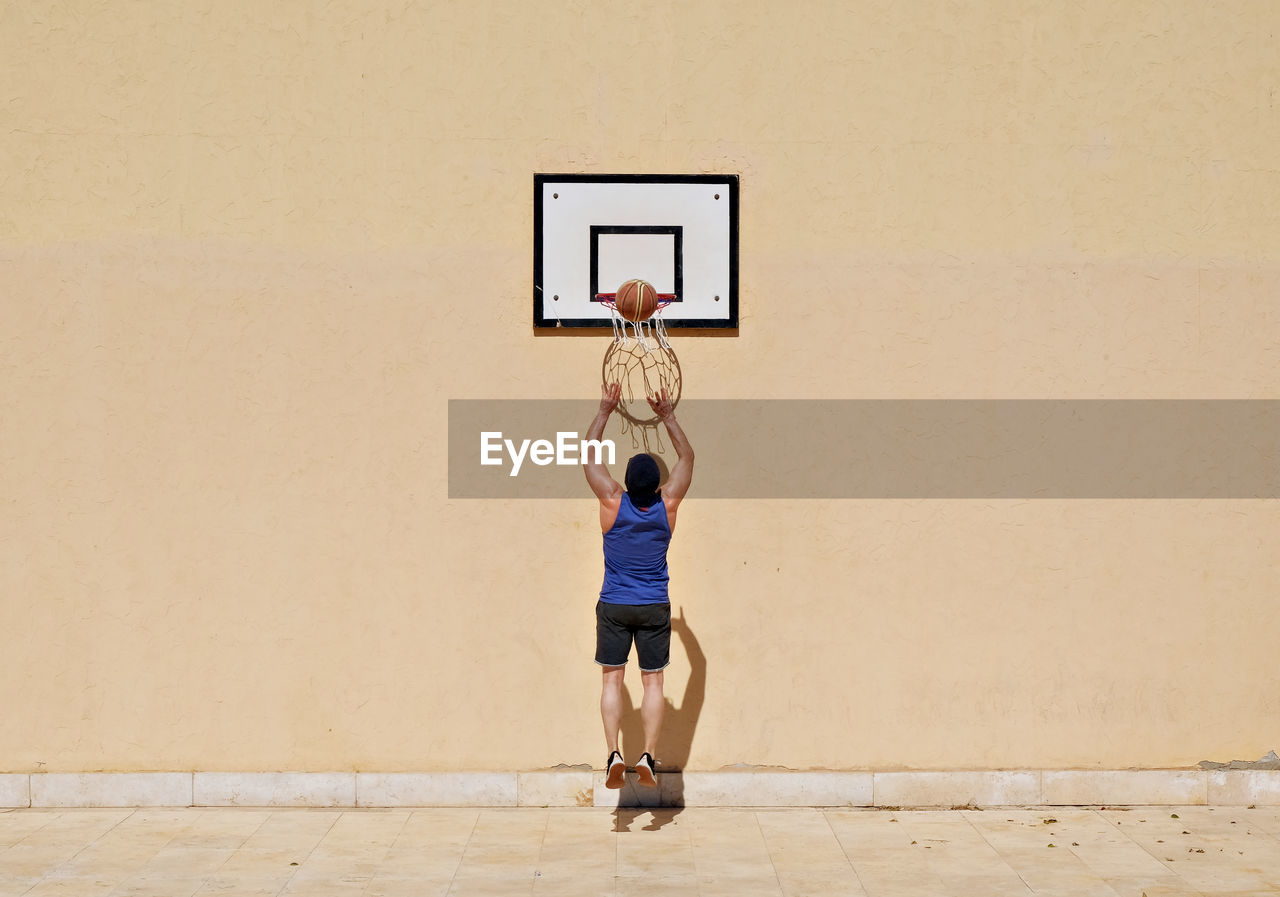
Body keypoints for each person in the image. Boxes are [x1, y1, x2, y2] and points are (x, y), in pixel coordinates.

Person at [583, 383, 694, 789]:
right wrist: (667, 415)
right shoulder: (668, 506)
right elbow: (687, 457)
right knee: (654, 683)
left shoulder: (612, 500)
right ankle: (646, 755)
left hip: (613, 604)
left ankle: (613, 752)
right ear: (656, 485)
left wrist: (605, 410)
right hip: (653, 607)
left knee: (612, 680)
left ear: (627, 481)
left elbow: (590, 452)